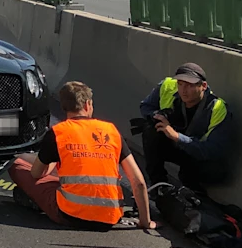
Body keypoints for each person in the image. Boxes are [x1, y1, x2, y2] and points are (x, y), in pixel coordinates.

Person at [9, 81, 155, 231]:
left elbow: (36, 173)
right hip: (110, 216)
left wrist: (54, 158)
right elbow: (138, 182)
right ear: (88, 104)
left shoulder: (59, 132)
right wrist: (146, 221)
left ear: (64, 106)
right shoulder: (111, 131)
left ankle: (35, 199)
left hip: (69, 214)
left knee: (17, 166)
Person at [138, 62, 235, 192]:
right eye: (180, 84)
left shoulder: (217, 108)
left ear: (203, 86)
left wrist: (177, 137)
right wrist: (157, 115)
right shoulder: (167, 86)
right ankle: (158, 184)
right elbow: (145, 106)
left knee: (217, 172)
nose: (183, 90)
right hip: (171, 146)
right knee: (151, 129)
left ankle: (190, 184)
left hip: (196, 152)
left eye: (189, 85)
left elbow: (213, 150)